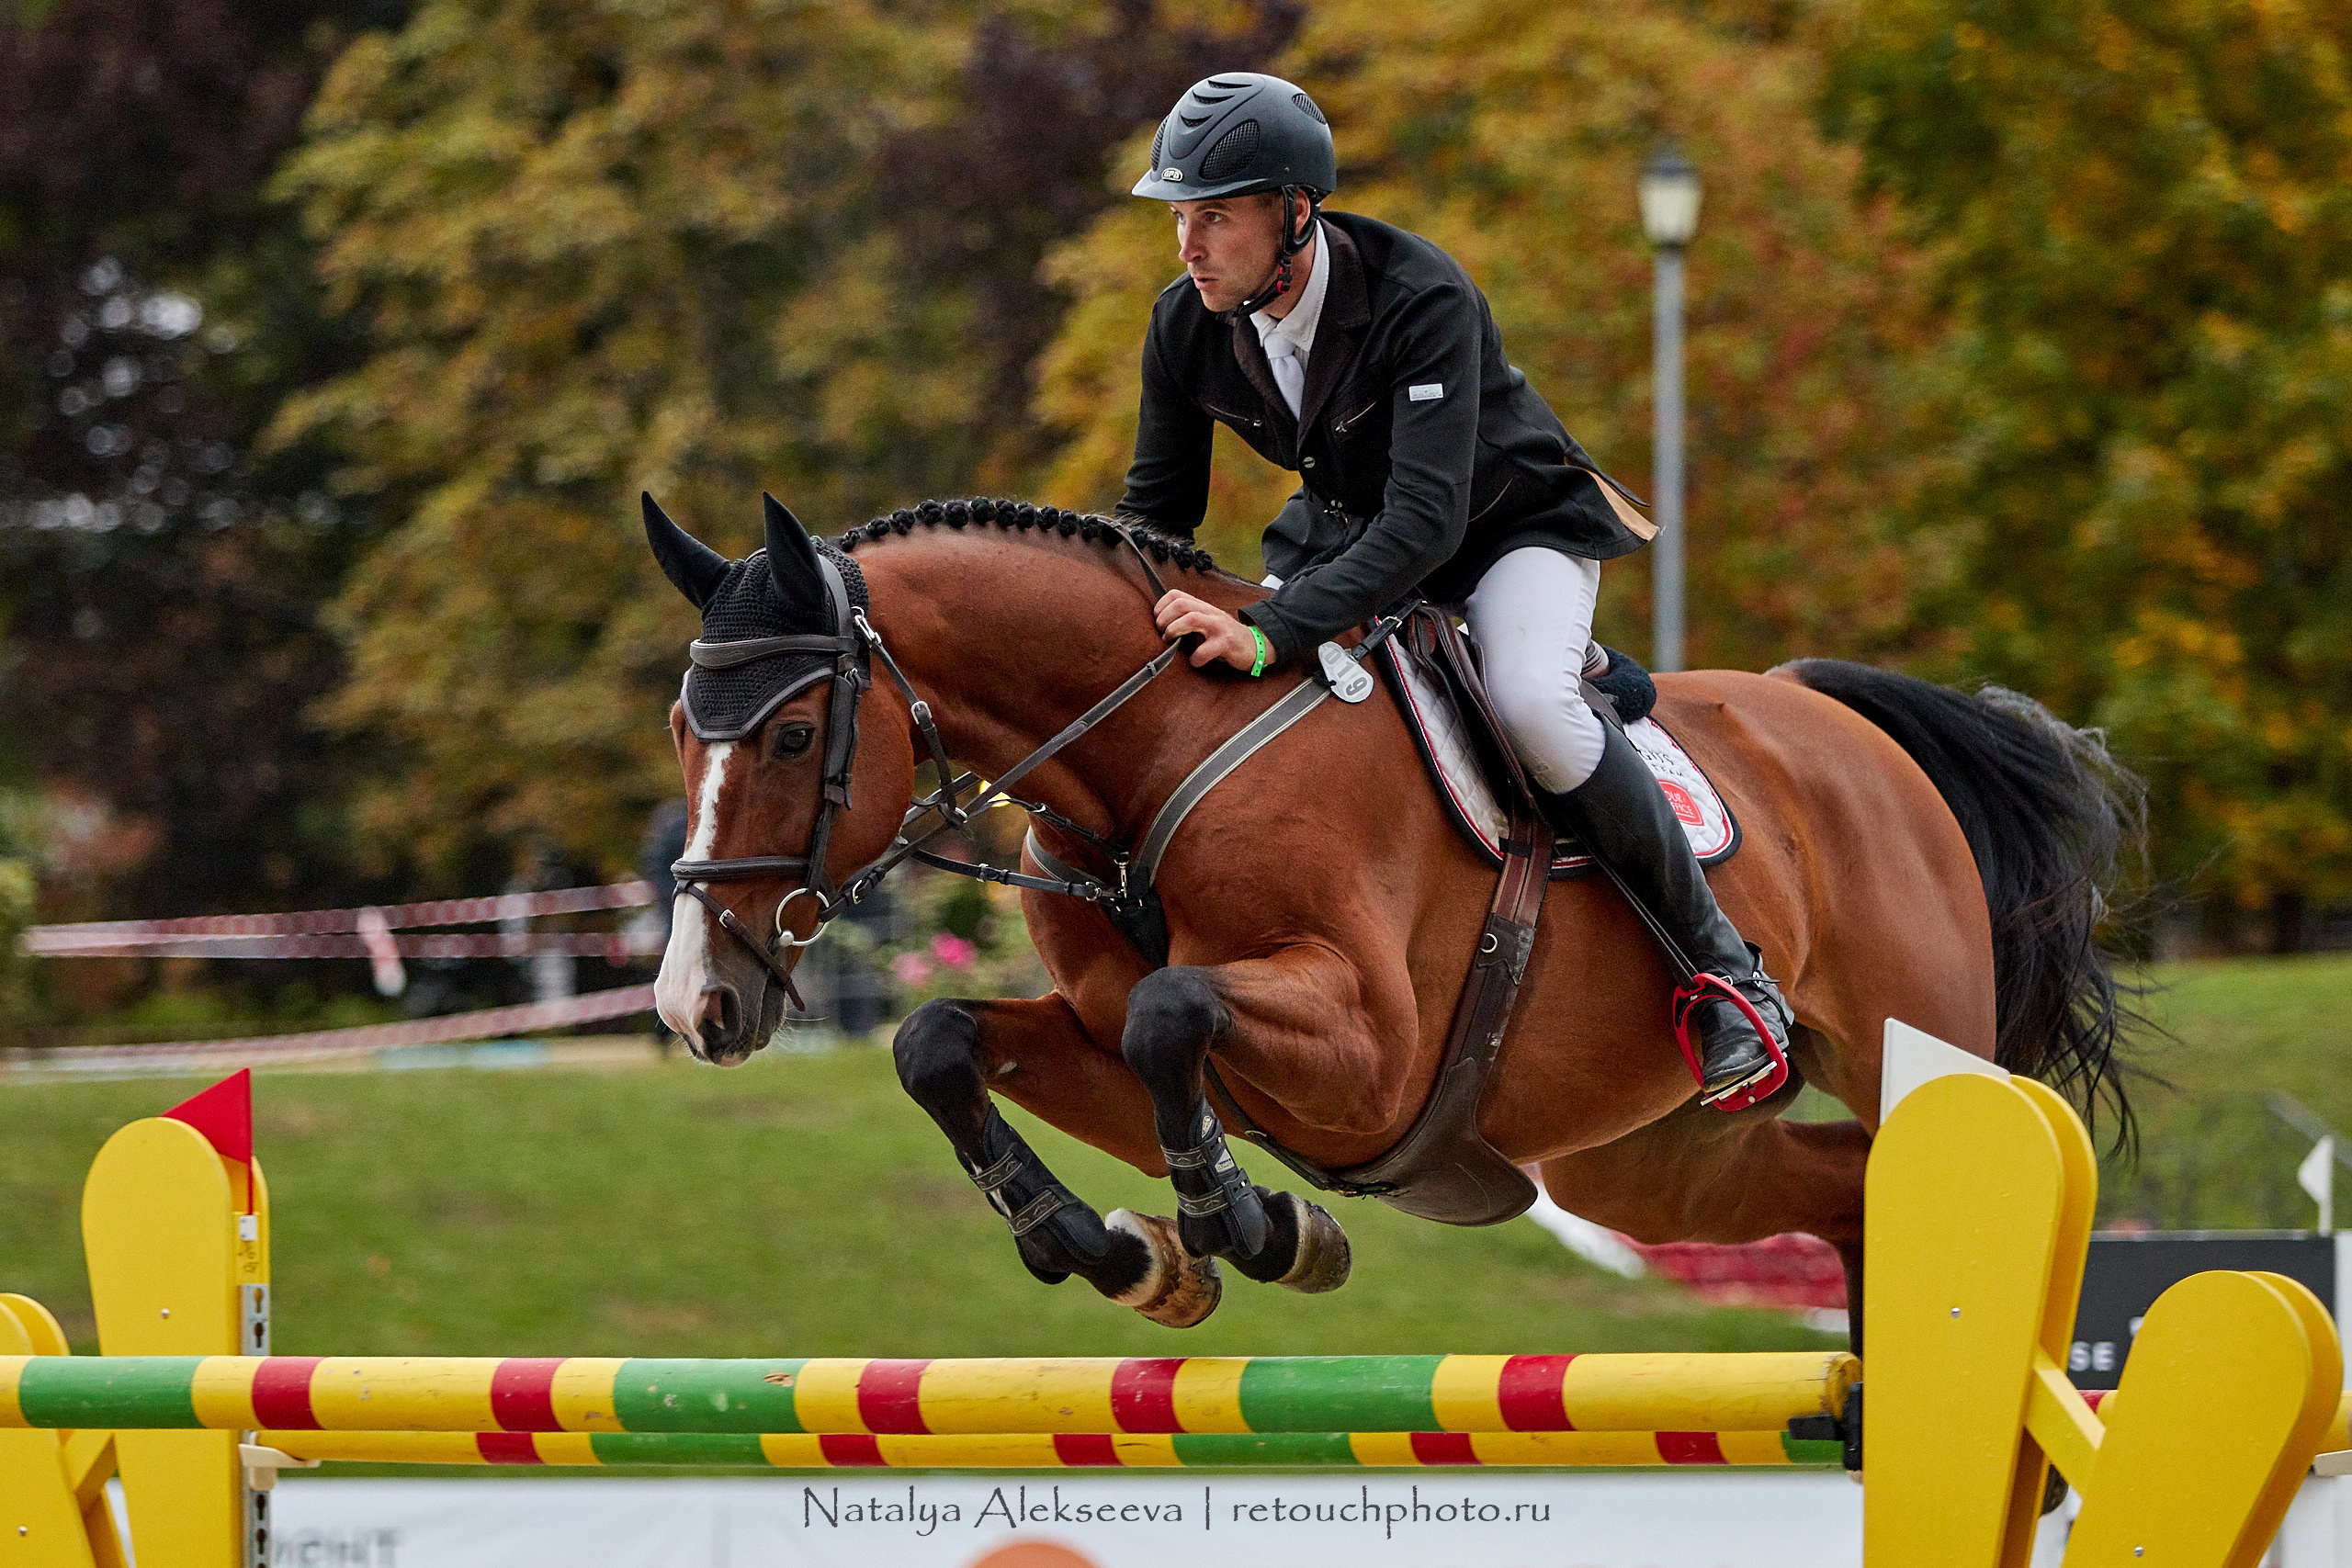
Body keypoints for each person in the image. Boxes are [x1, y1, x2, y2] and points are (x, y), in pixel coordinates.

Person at [1117, 72, 1789, 1107]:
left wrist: (1274, 630)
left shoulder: (1419, 295)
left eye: (1215, 217)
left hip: (1504, 534)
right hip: (1347, 539)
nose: (1187, 247)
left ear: (1294, 212)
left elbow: (1427, 520)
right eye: (1179, 218)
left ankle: (1726, 976)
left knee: (1529, 702)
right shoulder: (1185, 324)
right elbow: (1156, 518)